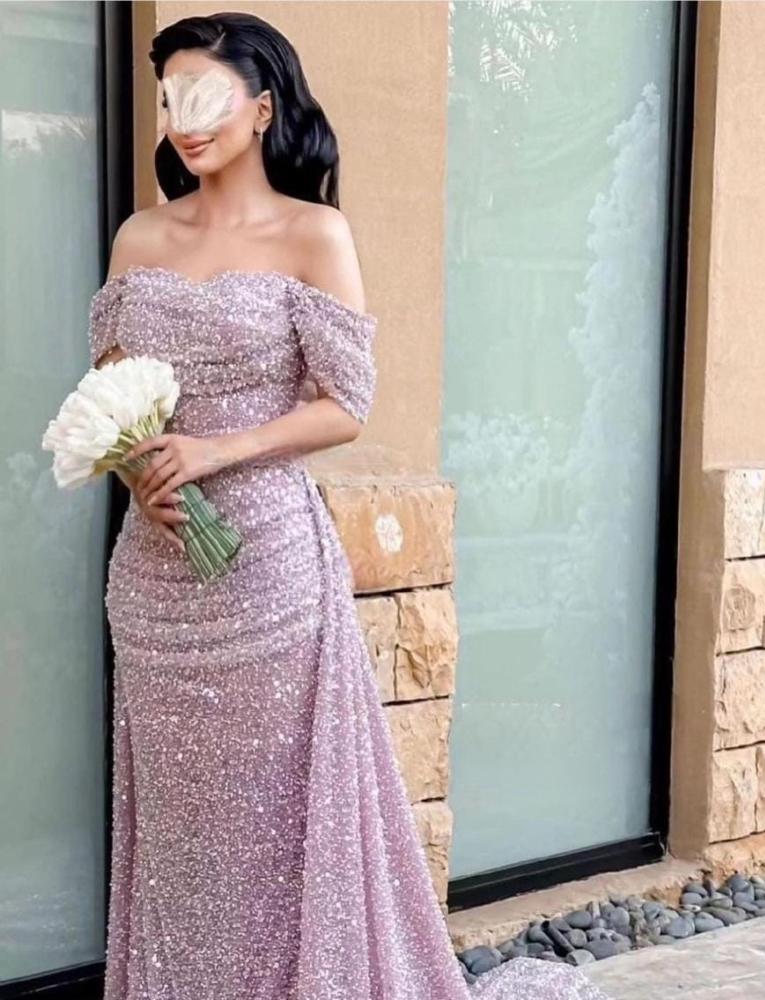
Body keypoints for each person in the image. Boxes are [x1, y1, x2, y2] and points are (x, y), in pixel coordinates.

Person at [90, 11, 612, 1000]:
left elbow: (346, 403)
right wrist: (140, 473)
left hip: (266, 574)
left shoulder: (312, 232)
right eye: (167, 100)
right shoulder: (139, 236)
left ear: (262, 107)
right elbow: (110, 395)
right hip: (155, 580)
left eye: (203, 95)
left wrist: (216, 452)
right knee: (181, 835)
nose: (182, 120)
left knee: (273, 821)